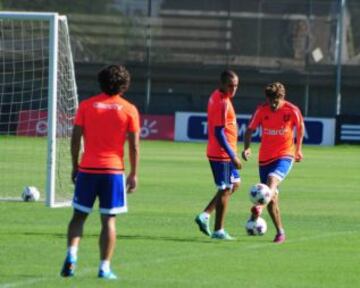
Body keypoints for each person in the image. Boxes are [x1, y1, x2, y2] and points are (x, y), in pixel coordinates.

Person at [60, 65, 140, 279]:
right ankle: (104, 267)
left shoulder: (86, 106)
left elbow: (76, 139)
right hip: (113, 172)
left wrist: (75, 166)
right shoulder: (129, 109)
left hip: (88, 169)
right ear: (125, 85)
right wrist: (133, 173)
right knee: (109, 220)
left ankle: (72, 256)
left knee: (78, 216)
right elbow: (133, 146)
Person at [242, 82, 304, 244]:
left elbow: (300, 127)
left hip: (285, 155)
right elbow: (249, 130)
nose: (272, 104)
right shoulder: (261, 109)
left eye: (275, 101)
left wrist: (298, 149)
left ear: (282, 97)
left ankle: (259, 208)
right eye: (270, 101)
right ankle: (280, 232)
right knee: (272, 199)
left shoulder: (292, 110)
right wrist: (247, 148)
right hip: (264, 158)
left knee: (271, 180)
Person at [195, 69, 242, 240]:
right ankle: (218, 230)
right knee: (225, 188)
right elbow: (219, 132)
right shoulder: (222, 102)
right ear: (222, 84)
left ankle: (205, 215)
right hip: (221, 154)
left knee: (234, 184)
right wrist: (233, 156)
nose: (233, 89)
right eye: (230, 85)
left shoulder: (218, 96)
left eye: (236, 86)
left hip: (221, 153)